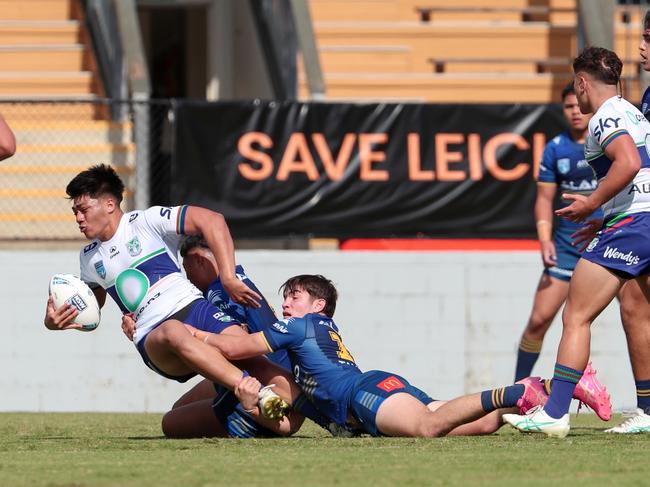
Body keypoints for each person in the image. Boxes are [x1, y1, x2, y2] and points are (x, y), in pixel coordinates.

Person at [184, 274, 607, 438]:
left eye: (295, 297)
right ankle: (559, 387)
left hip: (364, 395)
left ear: (318, 306)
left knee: (428, 426)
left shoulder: (300, 326)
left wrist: (187, 333)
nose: (287, 304)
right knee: (477, 425)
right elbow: (289, 404)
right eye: (286, 299)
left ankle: (524, 388)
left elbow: (237, 346)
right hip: (372, 389)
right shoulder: (307, 339)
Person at [42, 164, 305, 425]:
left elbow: (212, 220)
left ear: (109, 204)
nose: (78, 218)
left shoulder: (146, 221)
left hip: (195, 308)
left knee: (246, 353)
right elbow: (93, 304)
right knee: (173, 331)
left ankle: (321, 411)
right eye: (75, 211)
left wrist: (227, 277)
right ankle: (254, 394)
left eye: (83, 210)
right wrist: (60, 321)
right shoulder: (89, 258)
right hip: (154, 335)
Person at [503, 46, 650, 437]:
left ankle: (554, 413)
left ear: (582, 84)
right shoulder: (633, 111)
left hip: (633, 226)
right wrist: (604, 214)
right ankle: (649, 410)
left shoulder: (604, 117)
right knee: (638, 312)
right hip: (638, 221)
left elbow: (629, 164)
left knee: (576, 315)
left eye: (576, 88)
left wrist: (592, 203)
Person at [122, 235, 321, 438]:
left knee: (170, 423)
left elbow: (236, 342)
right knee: (180, 405)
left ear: (199, 260)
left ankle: (251, 418)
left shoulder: (219, 291)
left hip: (260, 380)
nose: (187, 277)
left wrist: (176, 334)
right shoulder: (239, 281)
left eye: (187, 267)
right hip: (282, 378)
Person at [513, 83, 611, 420]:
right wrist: (544, 238)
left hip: (608, 245)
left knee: (632, 318)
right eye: (567, 106)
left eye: (577, 104)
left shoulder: (610, 140)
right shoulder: (556, 148)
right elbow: (543, 199)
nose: (574, 110)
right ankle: (518, 392)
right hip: (567, 251)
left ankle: (642, 402)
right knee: (538, 321)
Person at [602, 11, 650, 434]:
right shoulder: (648, 97)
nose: (641, 47)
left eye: (649, 37)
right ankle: (648, 409)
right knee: (634, 302)